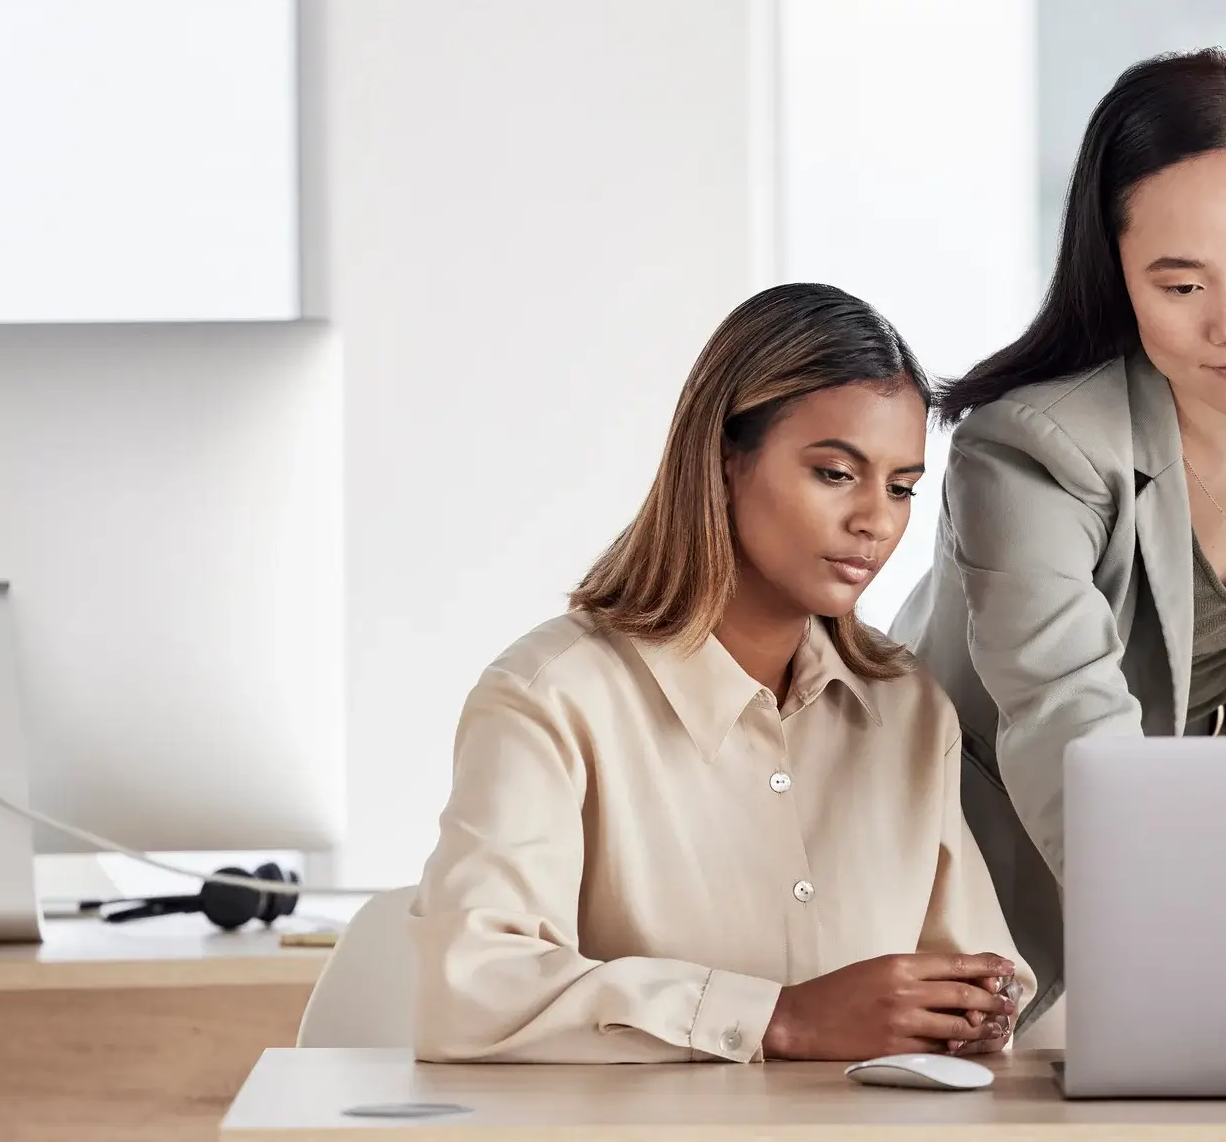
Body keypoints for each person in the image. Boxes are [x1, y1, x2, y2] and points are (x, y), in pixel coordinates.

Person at [892, 48, 1226, 1014]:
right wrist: (1208, 937)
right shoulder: (1031, 449)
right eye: (1180, 285)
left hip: (1209, 848)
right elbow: (1070, 732)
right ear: (1116, 276)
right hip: (984, 855)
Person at [411, 283, 1029, 1063]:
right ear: (727, 460)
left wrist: (978, 1010)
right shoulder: (552, 697)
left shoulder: (908, 711)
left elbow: (974, 976)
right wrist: (779, 1020)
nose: (876, 519)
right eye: (836, 473)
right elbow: (467, 994)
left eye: (902, 487)